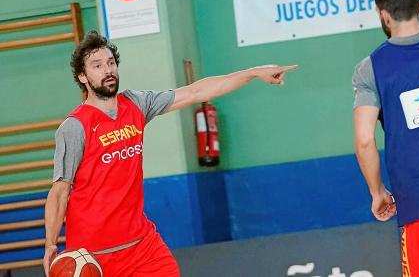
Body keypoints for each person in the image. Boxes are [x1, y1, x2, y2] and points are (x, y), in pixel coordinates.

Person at [42, 30, 298, 276]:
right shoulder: (76, 127)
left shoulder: (137, 105)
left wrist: (253, 73)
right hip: (94, 255)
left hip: (142, 246)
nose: (107, 70)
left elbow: (196, 91)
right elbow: (60, 191)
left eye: (110, 62)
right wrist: (51, 244)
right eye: (97, 66)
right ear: (83, 77)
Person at [353, 0, 419, 276]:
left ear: (383, 15)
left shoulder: (370, 68)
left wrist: (377, 191)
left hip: (417, 201)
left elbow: (364, 140)